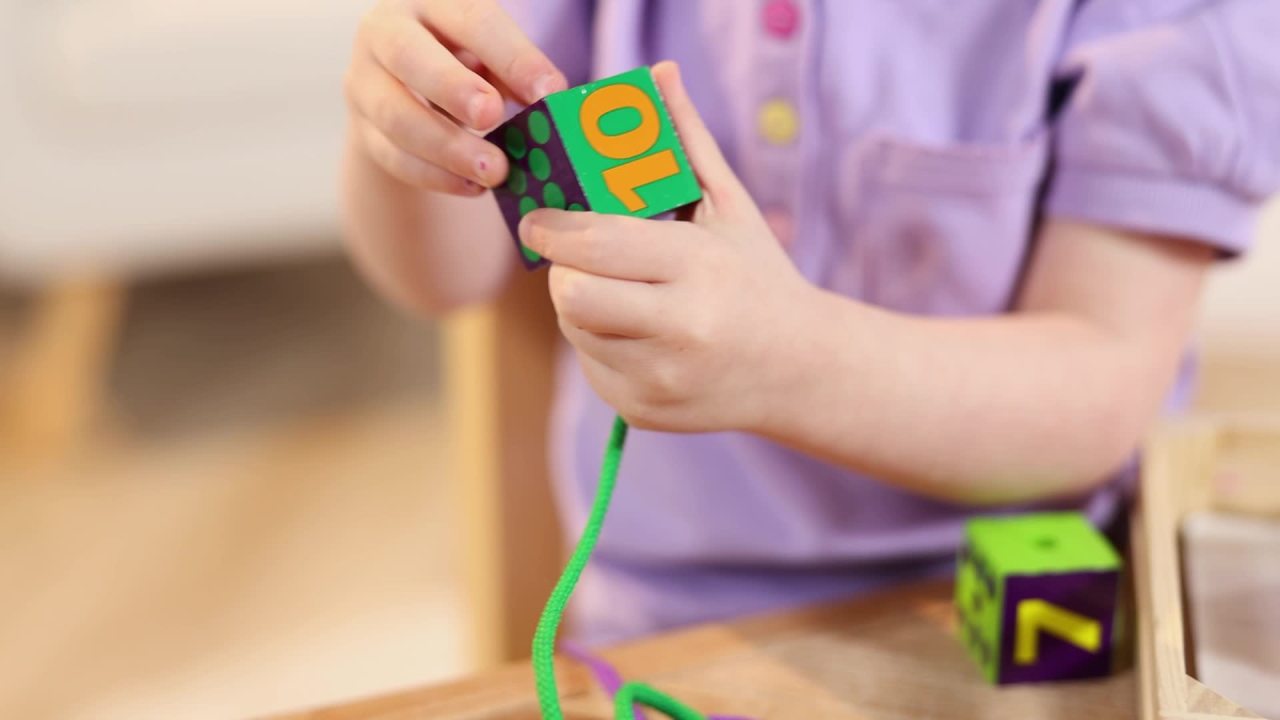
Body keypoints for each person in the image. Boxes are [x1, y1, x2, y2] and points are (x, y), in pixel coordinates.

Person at [341, 0, 1280, 644]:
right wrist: (409, 124)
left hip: (1016, 608)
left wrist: (788, 360)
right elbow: (444, 279)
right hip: (664, 616)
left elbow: (1103, 380)